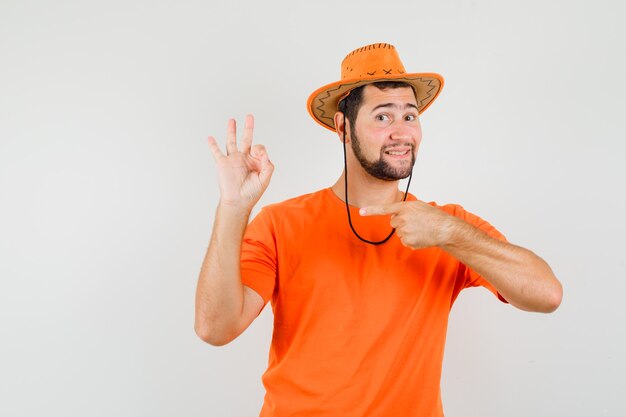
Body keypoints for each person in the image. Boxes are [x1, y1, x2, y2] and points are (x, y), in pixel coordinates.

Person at [195, 43, 563, 416]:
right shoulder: (280, 223)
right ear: (343, 126)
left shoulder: (446, 226)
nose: (401, 133)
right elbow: (216, 328)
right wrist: (233, 208)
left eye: (410, 116)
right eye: (383, 117)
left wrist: (451, 234)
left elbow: (546, 294)